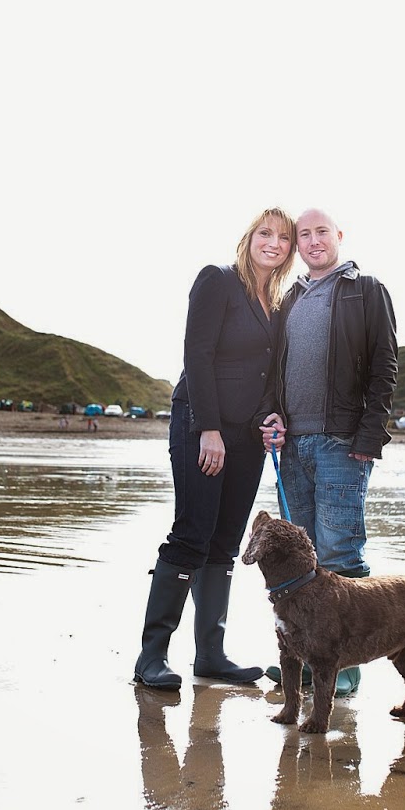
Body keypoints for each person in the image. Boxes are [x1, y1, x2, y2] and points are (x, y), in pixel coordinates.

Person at [133, 207, 298, 689]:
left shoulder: (279, 301)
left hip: (248, 436)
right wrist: (208, 429)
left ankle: (211, 656)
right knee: (192, 534)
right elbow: (196, 353)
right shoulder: (218, 280)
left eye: (284, 238)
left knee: (224, 544)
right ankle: (151, 658)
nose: (274, 243)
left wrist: (271, 416)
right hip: (201, 425)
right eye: (265, 233)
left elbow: (270, 372)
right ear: (249, 238)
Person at [259, 208, 398, 697]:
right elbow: (277, 368)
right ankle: (304, 655)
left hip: (343, 442)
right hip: (292, 444)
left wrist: (369, 436)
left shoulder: (366, 290)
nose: (313, 241)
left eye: (322, 232)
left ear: (339, 236)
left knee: (339, 550)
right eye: (305, 235)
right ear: (297, 245)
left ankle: (344, 666)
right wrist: (274, 416)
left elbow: (385, 366)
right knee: (300, 557)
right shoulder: (290, 297)